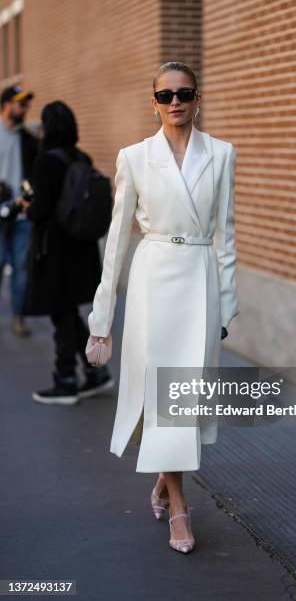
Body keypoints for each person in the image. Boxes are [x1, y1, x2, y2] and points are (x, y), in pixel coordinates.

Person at [88, 61, 239, 553]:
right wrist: (102, 320)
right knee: (162, 398)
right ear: (152, 102)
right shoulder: (134, 157)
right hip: (153, 276)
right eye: (165, 95)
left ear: (198, 99)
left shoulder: (221, 153)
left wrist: (227, 305)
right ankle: (179, 506)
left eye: (185, 93)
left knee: (186, 401)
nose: (175, 102)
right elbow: (115, 242)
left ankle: (162, 481)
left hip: (198, 279)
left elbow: (226, 233)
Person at [21, 101, 114, 404]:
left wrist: (27, 207)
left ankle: (66, 380)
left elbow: (42, 210)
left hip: (55, 251)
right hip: (82, 249)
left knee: (60, 314)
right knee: (70, 313)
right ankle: (96, 373)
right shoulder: (82, 157)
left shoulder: (45, 161)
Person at [0, 85, 39, 337]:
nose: (24, 107)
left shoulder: (29, 140)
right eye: (19, 102)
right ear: (6, 104)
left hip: (22, 215)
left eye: (26, 103)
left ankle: (18, 318)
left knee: (22, 270)